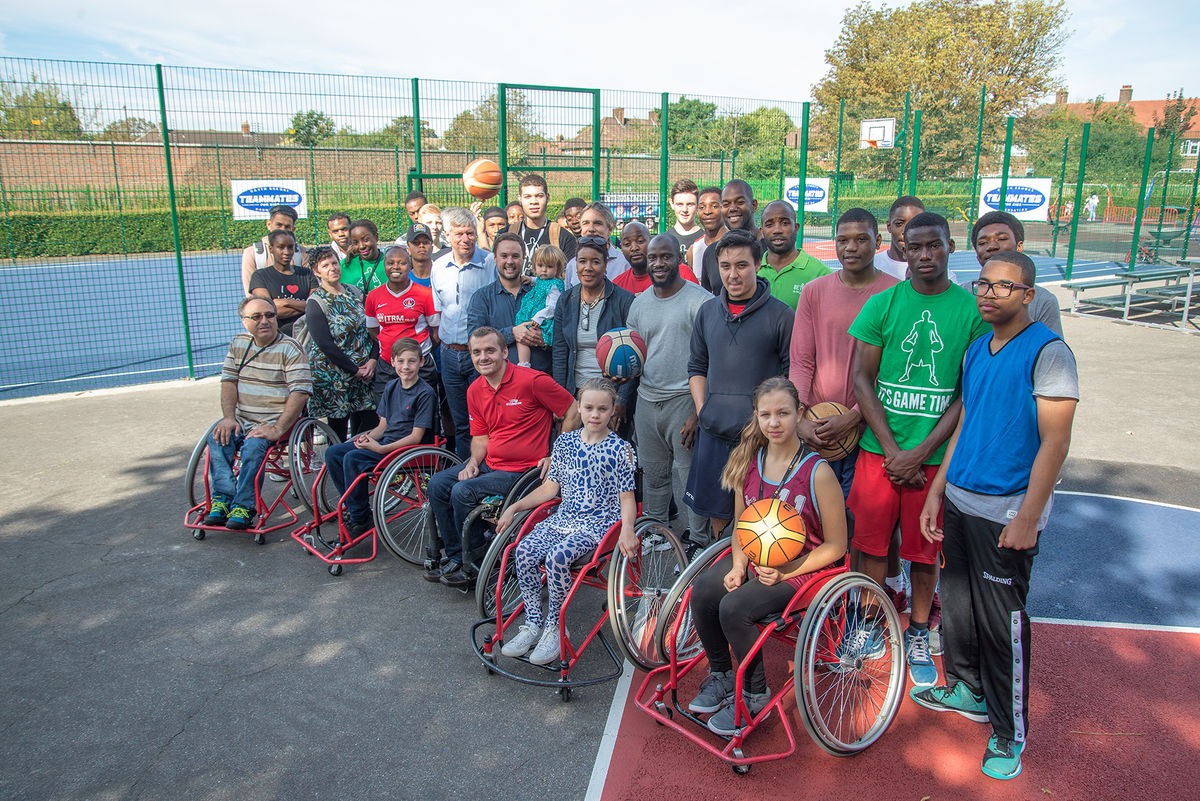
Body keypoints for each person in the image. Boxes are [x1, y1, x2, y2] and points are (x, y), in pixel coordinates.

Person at [914, 251, 1078, 781]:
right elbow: (966, 424)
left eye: (1002, 286)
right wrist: (938, 487)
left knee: (1002, 623)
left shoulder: (1049, 352)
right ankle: (967, 687)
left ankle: (1009, 732)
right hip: (961, 499)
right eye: (983, 284)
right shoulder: (977, 350)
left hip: (1006, 509)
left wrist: (1028, 516)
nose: (987, 293)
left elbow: (1056, 441)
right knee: (957, 605)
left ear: (1028, 295)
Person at [848, 211, 990, 688]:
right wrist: (892, 450)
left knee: (924, 552)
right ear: (903, 250)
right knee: (870, 546)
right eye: (915, 247)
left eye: (935, 246)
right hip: (879, 452)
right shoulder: (884, 305)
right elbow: (862, 379)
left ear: (951, 247)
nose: (925, 255)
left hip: (932, 461)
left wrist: (922, 450)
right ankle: (869, 621)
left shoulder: (972, 313)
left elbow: (966, 395)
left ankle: (918, 628)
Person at [686, 377, 848, 735]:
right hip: (757, 556)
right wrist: (740, 565)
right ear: (756, 417)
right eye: (766, 415)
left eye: (783, 414)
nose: (774, 423)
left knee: (734, 608)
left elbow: (837, 546)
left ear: (799, 414)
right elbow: (742, 525)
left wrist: (786, 571)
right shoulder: (749, 462)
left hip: (805, 568)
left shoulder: (817, 472)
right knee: (704, 591)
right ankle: (722, 675)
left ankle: (755, 695)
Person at [497, 377, 638, 665]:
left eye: (602, 408)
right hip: (565, 517)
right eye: (588, 408)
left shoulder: (620, 450)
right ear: (579, 408)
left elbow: (626, 498)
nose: (595, 415)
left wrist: (628, 529)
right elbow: (551, 488)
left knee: (557, 558)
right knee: (523, 551)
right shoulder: (565, 443)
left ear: (613, 410)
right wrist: (515, 506)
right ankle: (533, 622)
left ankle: (555, 628)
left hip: (598, 523)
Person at [424, 327, 577, 588]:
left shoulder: (532, 381)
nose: (483, 357)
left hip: (524, 471)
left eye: (490, 350)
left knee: (462, 492)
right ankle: (456, 556)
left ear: (505, 352)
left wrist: (557, 454)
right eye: (476, 352)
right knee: (437, 484)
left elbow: (572, 408)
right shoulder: (475, 389)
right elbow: (481, 438)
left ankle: (477, 561)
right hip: (490, 464)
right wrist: (472, 462)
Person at [685, 229, 793, 540]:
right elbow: (697, 366)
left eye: (742, 265)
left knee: (759, 519)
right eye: (725, 266)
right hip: (714, 431)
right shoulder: (707, 312)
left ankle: (752, 578)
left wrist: (770, 420)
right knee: (718, 516)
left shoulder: (781, 315)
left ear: (758, 265)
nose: (733, 274)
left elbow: (791, 374)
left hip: (758, 438)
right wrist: (704, 408)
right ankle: (719, 569)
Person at [790, 208, 900, 499]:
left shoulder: (896, 294)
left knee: (858, 517)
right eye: (843, 240)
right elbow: (801, 361)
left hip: (871, 430)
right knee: (813, 513)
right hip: (818, 428)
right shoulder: (814, 291)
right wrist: (800, 418)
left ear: (878, 242)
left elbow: (893, 370)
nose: (851, 247)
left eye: (861, 239)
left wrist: (854, 417)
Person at [627, 234, 712, 547]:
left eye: (666, 257)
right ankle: (656, 532)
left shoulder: (701, 302)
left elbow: (713, 360)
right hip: (648, 399)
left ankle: (699, 542)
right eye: (653, 258)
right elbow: (634, 353)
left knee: (691, 477)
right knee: (654, 473)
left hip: (684, 400)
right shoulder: (639, 304)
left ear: (679, 258)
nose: (659, 263)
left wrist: (697, 411)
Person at [203, 297, 311, 531]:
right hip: (242, 420)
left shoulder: (291, 348)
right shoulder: (239, 344)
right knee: (218, 438)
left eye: (270, 315)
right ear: (244, 322)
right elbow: (229, 382)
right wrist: (229, 417)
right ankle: (222, 499)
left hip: (275, 422)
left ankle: (244, 506)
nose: (265, 321)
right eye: (257, 317)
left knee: (253, 447)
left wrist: (277, 429)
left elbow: (300, 393)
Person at [321, 337, 438, 537]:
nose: (406, 366)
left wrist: (380, 449)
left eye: (411, 361)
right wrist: (367, 439)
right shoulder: (391, 387)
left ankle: (360, 517)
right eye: (401, 361)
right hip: (386, 442)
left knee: (353, 459)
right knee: (334, 452)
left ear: (421, 362)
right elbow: (382, 427)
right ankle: (353, 505)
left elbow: (416, 437)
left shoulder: (425, 393)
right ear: (392, 362)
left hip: (407, 450)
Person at [430, 207, 498, 459]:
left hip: (480, 357)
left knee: (486, 421)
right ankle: (462, 470)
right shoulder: (438, 267)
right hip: (449, 354)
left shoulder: (489, 263)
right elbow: (438, 314)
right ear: (447, 235)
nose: (465, 239)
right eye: (458, 234)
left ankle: (486, 472)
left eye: (470, 233)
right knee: (460, 422)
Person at [552, 236, 637, 429]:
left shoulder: (624, 300)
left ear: (606, 265)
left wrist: (622, 398)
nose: (588, 268)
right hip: (575, 395)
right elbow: (559, 352)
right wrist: (560, 398)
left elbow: (635, 357)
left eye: (596, 262)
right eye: (582, 261)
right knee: (571, 452)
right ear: (575, 265)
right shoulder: (566, 301)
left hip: (610, 396)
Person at [304, 246, 378, 441]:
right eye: (325, 265)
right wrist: (354, 369)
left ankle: (359, 467)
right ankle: (336, 469)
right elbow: (325, 345)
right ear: (316, 271)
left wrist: (372, 360)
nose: (332, 268)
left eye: (335, 263)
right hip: (335, 379)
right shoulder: (315, 302)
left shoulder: (355, 292)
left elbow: (373, 329)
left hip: (365, 376)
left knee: (368, 426)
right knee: (337, 432)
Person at [466, 233, 552, 373]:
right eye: (504, 256)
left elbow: (561, 335)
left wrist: (546, 339)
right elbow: (473, 339)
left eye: (515, 256)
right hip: (499, 380)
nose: (510, 261)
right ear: (495, 258)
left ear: (524, 259)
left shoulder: (542, 292)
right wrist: (512, 333)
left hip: (540, 378)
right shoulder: (482, 297)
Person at [365, 245, 440, 401]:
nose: (396, 267)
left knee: (426, 413)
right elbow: (373, 330)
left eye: (402, 263)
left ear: (409, 265)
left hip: (421, 366)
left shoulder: (424, 294)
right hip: (387, 364)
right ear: (384, 266)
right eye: (390, 263)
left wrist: (419, 352)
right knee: (386, 414)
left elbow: (437, 331)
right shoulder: (373, 296)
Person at [970, 211, 1062, 336]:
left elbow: (1052, 347)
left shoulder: (1043, 301)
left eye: (1002, 239)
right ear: (976, 253)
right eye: (982, 243)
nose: (992, 246)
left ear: (1019, 247)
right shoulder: (963, 294)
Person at [758, 200, 831, 310]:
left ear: (796, 228)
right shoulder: (752, 270)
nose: (777, 230)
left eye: (785, 223)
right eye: (769, 225)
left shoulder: (821, 274)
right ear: (762, 232)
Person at [248, 230, 315, 337]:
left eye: (290, 247)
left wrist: (286, 302)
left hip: (306, 336)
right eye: (281, 247)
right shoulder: (260, 276)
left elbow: (315, 307)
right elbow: (268, 312)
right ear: (271, 249)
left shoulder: (307, 274)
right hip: (277, 338)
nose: (287, 252)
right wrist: (305, 306)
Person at [699, 180, 759, 294]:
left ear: (753, 205)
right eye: (726, 204)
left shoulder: (769, 249)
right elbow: (706, 298)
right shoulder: (711, 252)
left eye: (740, 202)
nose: (732, 208)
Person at [509, 174, 577, 269]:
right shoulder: (506, 233)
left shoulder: (564, 238)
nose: (533, 202)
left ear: (547, 197)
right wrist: (481, 233)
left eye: (539, 196)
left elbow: (569, 277)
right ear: (520, 199)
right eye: (527, 196)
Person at [514, 245, 566, 368]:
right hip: (534, 314)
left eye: (549, 267)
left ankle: (524, 364)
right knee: (521, 335)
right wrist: (530, 279)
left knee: (525, 336)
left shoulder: (555, 285)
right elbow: (539, 281)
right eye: (540, 266)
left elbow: (553, 307)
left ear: (557, 268)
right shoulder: (544, 280)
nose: (544, 270)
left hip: (543, 320)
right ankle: (523, 362)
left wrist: (539, 317)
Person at [614, 220, 699, 294]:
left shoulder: (681, 272)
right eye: (627, 244)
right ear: (621, 248)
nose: (634, 248)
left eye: (640, 241)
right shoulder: (618, 285)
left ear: (651, 241)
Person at [240, 204, 306, 294]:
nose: (282, 230)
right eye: (278, 225)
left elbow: (308, 289)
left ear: (293, 229)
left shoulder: (302, 253)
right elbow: (250, 293)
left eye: (287, 227)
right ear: (269, 224)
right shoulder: (252, 253)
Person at [564, 202, 630, 288]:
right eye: (586, 223)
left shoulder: (625, 264)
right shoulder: (572, 265)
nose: (591, 229)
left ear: (609, 229)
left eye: (597, 223)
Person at [876, 196, 925, 280]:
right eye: (899, 224)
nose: (906, 231)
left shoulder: (940, 274)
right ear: (889, 226)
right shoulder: (871, 266)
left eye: (915, 224)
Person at [340, 219, 387, 295]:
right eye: (355, 243)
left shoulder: (390, 263)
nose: (361, 246)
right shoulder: (344, 266)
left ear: (376, 237)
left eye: (366, 240)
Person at [687, 186, 727, 270]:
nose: (707, 212)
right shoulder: (693, 250)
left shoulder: (735, 244)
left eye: (714, 206)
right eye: (702, 207)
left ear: (724, 208)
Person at [668, 179, 704, 263]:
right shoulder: (664, 240)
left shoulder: (705, 240)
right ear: (672, 204)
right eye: (680, 204)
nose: (685, 209)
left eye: (690, 204)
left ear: (698, 204)